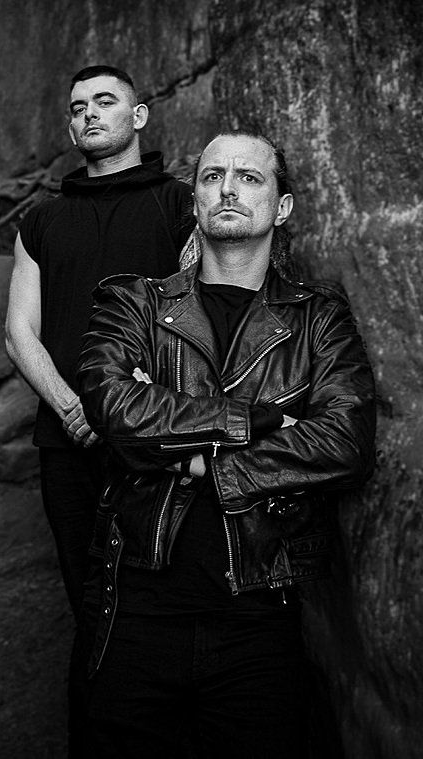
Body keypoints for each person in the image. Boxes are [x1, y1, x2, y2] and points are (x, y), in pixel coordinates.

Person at [69, 131, 377, 757]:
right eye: (212, 177)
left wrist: (200, 461)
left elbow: (345, 441)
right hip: (136, 606)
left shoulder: (318, 319)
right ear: (195, 201)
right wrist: (256, 420)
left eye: (248, 177)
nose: (227, 188)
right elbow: (112, 406)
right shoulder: (135, 302)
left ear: (282, 208)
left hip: (261, 611)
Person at [5, 65, 194, 616]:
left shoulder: (181, 205)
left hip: (157, 436)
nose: (88, 113)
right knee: (87, 600)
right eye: (78, 107)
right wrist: (70, 407)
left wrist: (125, 406)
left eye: (105, 101)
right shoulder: (40, 221)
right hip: (68, 443)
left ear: (138, 116)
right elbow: (19, 333)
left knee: (163, 601)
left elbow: (198, 319)